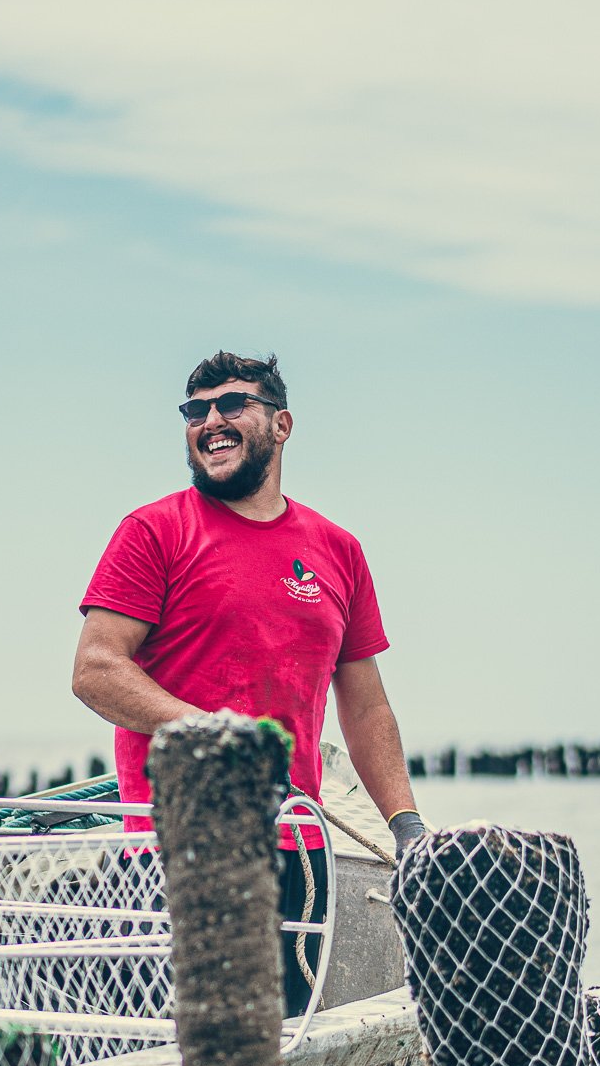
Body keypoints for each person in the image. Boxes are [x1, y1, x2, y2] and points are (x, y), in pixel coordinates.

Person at [72, 349, 424, 1015]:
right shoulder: (153, 531)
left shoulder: (337, 549)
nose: (210, 421)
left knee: (282, 1056)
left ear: (281, 425)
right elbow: (96, 669)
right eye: (194, 410)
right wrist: (213, 733)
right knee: (183, 1057)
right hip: (175, 845)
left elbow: (367, 707)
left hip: (298, 847)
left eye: (232, 404)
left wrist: (406, 825)